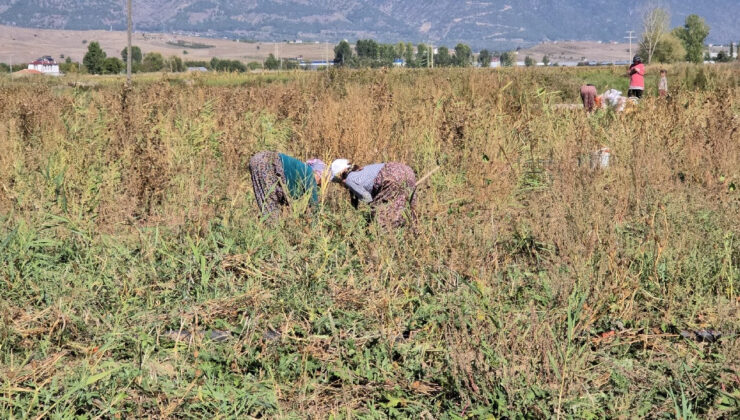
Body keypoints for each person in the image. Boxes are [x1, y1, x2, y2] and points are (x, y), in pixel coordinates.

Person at [329, 158, 417, 230]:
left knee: (382, 220)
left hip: (391, 178)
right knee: (408, 209)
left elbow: (367, 198)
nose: (340, 184)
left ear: (340, 175)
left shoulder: (349, 180)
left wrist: (369, 213)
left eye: (338, 181)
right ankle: (413, 233)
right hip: (406, 171)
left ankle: (389, 243)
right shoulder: (362, 170)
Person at [248, 151, 324, 221]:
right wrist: (315, 228)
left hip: (258, 160)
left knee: (267, 205)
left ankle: (268, 230)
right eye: (320, 180)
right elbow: (314, 206)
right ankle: (272, 232)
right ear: (317, 173)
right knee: (270, 212)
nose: (318, 184)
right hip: (266, 162)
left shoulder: (299, 171)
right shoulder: (309, 174)